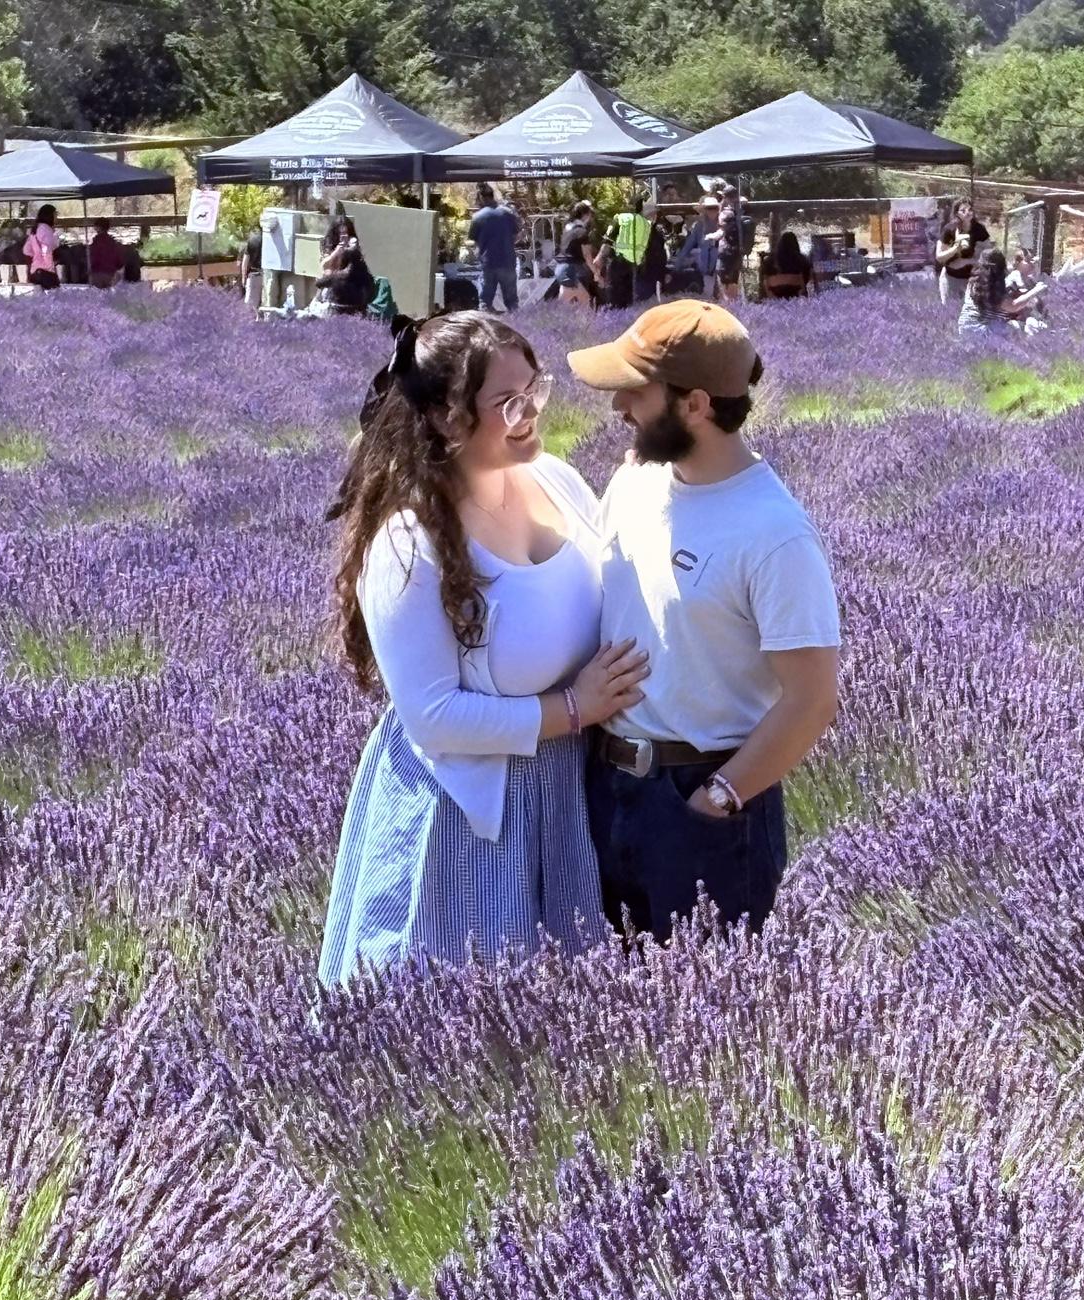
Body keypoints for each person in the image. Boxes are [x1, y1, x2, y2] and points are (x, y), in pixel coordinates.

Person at [318, 313, 651, 985]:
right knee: (452, 1028)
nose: (529, 413)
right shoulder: (411, 543)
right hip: (468, 818)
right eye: (507, 402)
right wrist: (573, 709)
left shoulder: (557, 481)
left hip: (568, 798)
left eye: (536, 390)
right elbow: (434, 716)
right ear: (445, 417)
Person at [566, 301, 840, 943]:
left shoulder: (774, 534)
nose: (617, 409)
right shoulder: (634, 484)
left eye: (635, 391)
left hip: (704, 801)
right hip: (603, 789)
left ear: (694, 404)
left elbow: (812, 700)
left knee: (712, 1014)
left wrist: (715, 801)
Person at [958, 247, 1045, 337]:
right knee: (1018, 327)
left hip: (964, 328)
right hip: (982, 329)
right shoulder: (992, 286)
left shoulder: (974, 281)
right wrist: (1035, 290)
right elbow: (1013, 306)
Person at [469, 183, 520, 314]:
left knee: (485, 302)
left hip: (488, 263)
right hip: (507, 261)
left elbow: (474, 241)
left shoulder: (477, 217)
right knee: (512, 303)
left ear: (480, 197)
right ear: (492, 195)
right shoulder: (508, 214)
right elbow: (516, 235)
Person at [602, 194, 653, 311]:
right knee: (627, 298)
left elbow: (608, 241)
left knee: (614, 297)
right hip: (634, 265)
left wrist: (599, 258)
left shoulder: (621, 218)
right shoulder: (646, 224)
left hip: (617, 262)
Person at [935, 198, 990, 305]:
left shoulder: (979, 230)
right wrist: (955, 249)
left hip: (973, 280)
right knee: (950, 313)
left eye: (970, 210)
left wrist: (967, 261)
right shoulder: (949, 229)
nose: (968, 213)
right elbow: (939, 256)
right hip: (951, 277)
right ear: (956, 213)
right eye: (963, 210)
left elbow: (988, 256)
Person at [552, 202, 599, 307]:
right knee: (585, 302)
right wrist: (596, 273)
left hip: (561, 269)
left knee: (565, 304)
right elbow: (587, 256)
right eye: (590, 215)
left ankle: (556, 322)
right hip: (570, 270)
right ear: (585, 215)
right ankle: (586, 323)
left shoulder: (567, 229)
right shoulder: (581, 231)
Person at [314, 234, 376, 316]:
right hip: (359, 316)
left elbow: (318, 283)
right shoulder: (367, 278)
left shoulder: (337, 277)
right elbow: (372, 296)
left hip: (337, 315)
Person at [675, 197, 723, 299]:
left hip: (721, 265)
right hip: (705, 266)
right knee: (708, 294)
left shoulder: (723, 224)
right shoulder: (699, 226)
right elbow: (688, 246)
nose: (712, 211)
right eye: (709, 208)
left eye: (714, 208)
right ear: (705, 210)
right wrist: (678, 264)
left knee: (722, 295)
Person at [760, 231, 811, 299]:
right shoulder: (801, 259)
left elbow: (764, 278)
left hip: (774, 294)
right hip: (795, 294)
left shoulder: (769, 260)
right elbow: (806, 279)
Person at [23, 204, 61, 292]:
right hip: (46, 272)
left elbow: (26, 250)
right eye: (55, 214)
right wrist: (49, 267)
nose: (57, 217)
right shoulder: (46, 229)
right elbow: (46, 249)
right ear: (49, 215)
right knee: (54, 300)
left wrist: (37, 255)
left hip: (35, 271)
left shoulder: (35, 229)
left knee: (38, 301)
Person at [240, 211, 268, 310]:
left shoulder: (253, 240)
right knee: (266, 306)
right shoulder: (272, 240)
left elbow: (245, 261)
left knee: (250, 307)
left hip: (254, 275)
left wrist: (244, 277)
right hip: (269, 276)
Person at [88, 218, 124, 289]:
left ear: (98, 227)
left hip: (98, 272)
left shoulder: (96, 242)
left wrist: (90, 268)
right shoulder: (112, 242)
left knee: (98, 295)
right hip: (110, 273)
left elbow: (93, 257)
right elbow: (119, 260)